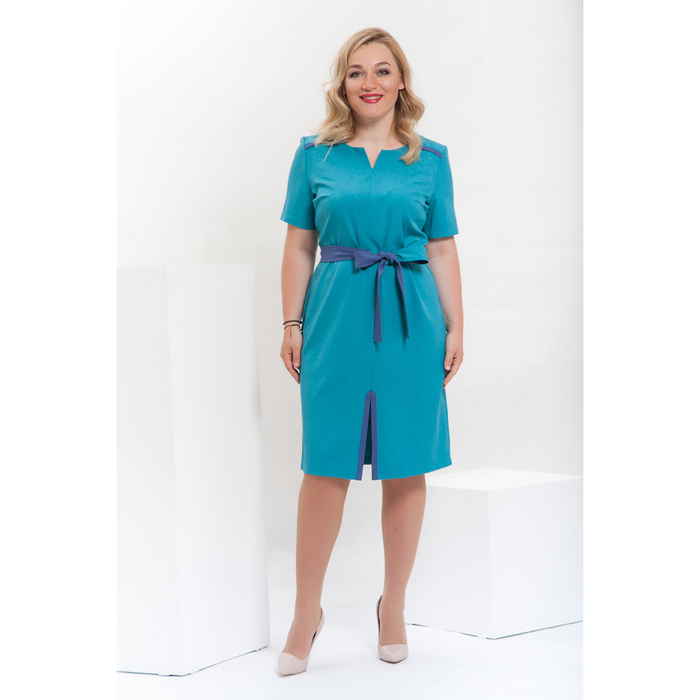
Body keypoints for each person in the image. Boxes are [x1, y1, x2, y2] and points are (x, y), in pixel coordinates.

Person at [278, 27, 463, 676]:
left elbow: (442, 248)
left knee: (405, 463)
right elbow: (300, 245)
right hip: (336, 319)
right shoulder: (315, 155)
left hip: (413, 322)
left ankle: (394, 607)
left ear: (401, 81)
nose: (370, 83)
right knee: (325, 464)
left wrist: (456, 327)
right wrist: (292, 321)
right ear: (343, 83)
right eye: (357, 72)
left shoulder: (431, 159)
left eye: (383, 70)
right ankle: (306, 612)